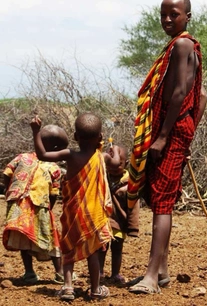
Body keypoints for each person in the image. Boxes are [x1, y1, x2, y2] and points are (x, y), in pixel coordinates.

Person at [127, 0, 207, 294]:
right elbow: (201, 98)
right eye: (163, 14)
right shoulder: (181, 47)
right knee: (154, 192)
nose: (167, 20)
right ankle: (160, 271)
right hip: (173, 131)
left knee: (162, 202)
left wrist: (164, 137)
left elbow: (180, 94)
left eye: (174, 14)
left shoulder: (184, 45)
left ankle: (150, 277)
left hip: (168, 133)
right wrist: (187, 133)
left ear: (188, 15)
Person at [30, 113, 112, 301]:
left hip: (74, 212)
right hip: (94, 214)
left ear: (75, 137)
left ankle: (68, 287)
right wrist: (113, 151)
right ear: (100, 137)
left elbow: (42, 155)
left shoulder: (70, 155)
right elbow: (116, 162)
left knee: (68, 247)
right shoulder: (102, 157)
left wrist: (36, 132)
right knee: (93, 251)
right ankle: (95, 289)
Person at [2, 124, 68, 284]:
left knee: (22, 238)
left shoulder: (21, 158)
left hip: (18, 204)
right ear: (55, 148)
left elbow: (7, 173)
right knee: (51, 240)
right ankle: (59, 273)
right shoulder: (54, 167)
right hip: (40, 207)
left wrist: (9, 190)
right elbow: (53, 193)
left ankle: (29, 272)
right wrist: (49, 208)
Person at [99, 144, 139, 285]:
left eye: (119, 164)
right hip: (103, 222)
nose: (114, 167)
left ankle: (115, 273)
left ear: (126, 164)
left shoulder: (129, 185)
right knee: (101, 249)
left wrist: (133, 227)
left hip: (119, 223)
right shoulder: (103, 178)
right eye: (110, 164)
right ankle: (99, 272)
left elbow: (134, 206)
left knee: (117, 250)